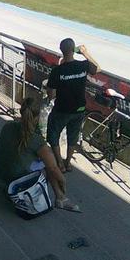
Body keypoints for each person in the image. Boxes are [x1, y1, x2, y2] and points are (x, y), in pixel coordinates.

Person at [0, 97, 80, 211]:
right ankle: (61, 198)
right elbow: (53, 168)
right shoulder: (36, 140)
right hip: (15, 179)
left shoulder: (8, 126)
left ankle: (60, 198)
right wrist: (63, 180)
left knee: (42, 159)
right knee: (48, 164)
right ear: (38, 116)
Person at [46, 38, 100, 172]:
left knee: (53, 135)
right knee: (73, 137)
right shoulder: (83, 65)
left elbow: (51, 95)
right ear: (74, 50)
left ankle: (59, 163)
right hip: (79, 110)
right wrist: (85, 53)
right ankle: (68, 162)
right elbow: (97, 68)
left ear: (61, 51)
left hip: (61, 110)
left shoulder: (57, 71)